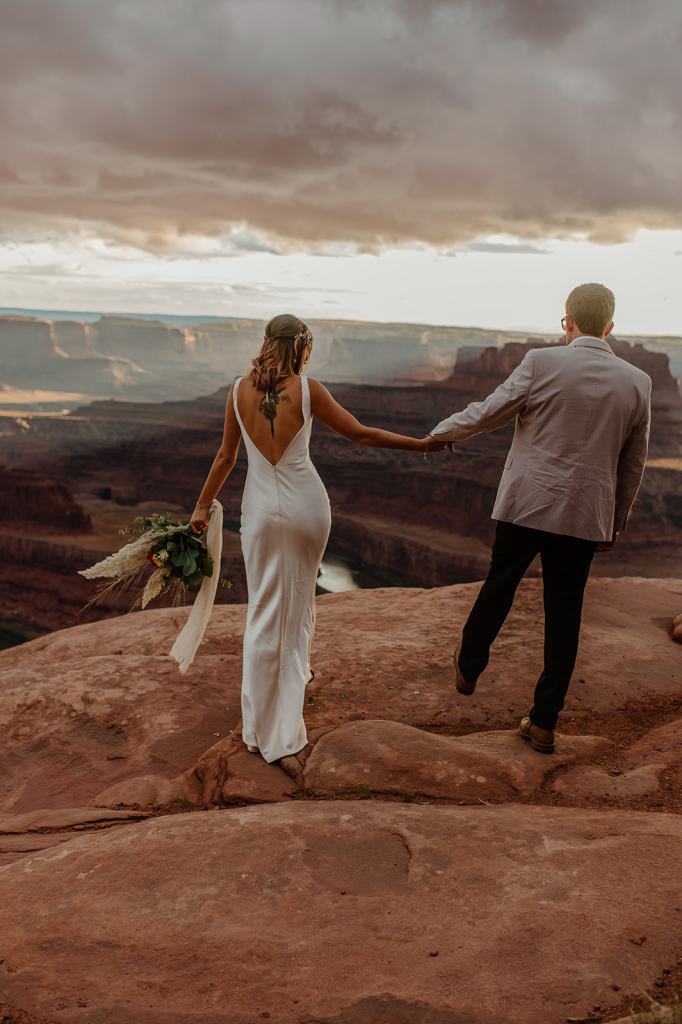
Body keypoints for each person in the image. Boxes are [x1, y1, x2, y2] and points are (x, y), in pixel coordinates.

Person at [190, 313, 443, 762]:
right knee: (299, 599)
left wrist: (199, 506)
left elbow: (226, 457)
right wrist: (421, 445)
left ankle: (259, 724)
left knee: (264, 609)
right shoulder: (309, 390)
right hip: (308, 509)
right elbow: (362, 435)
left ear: (267, 342)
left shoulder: (236, 390)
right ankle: (285, 717)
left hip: (261, 513)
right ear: (301, 347)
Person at [429, 283, 652, 754]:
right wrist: (617, 519)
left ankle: (470, 664)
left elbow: (491, 411)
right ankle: (545, 721)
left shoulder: (541, 361)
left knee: (501, 581)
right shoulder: (638, 382)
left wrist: (443, 432)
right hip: (584, 514)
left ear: (565, 320)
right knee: (564, 614)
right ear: (610, 326)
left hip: (527, 503)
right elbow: (634, 462)